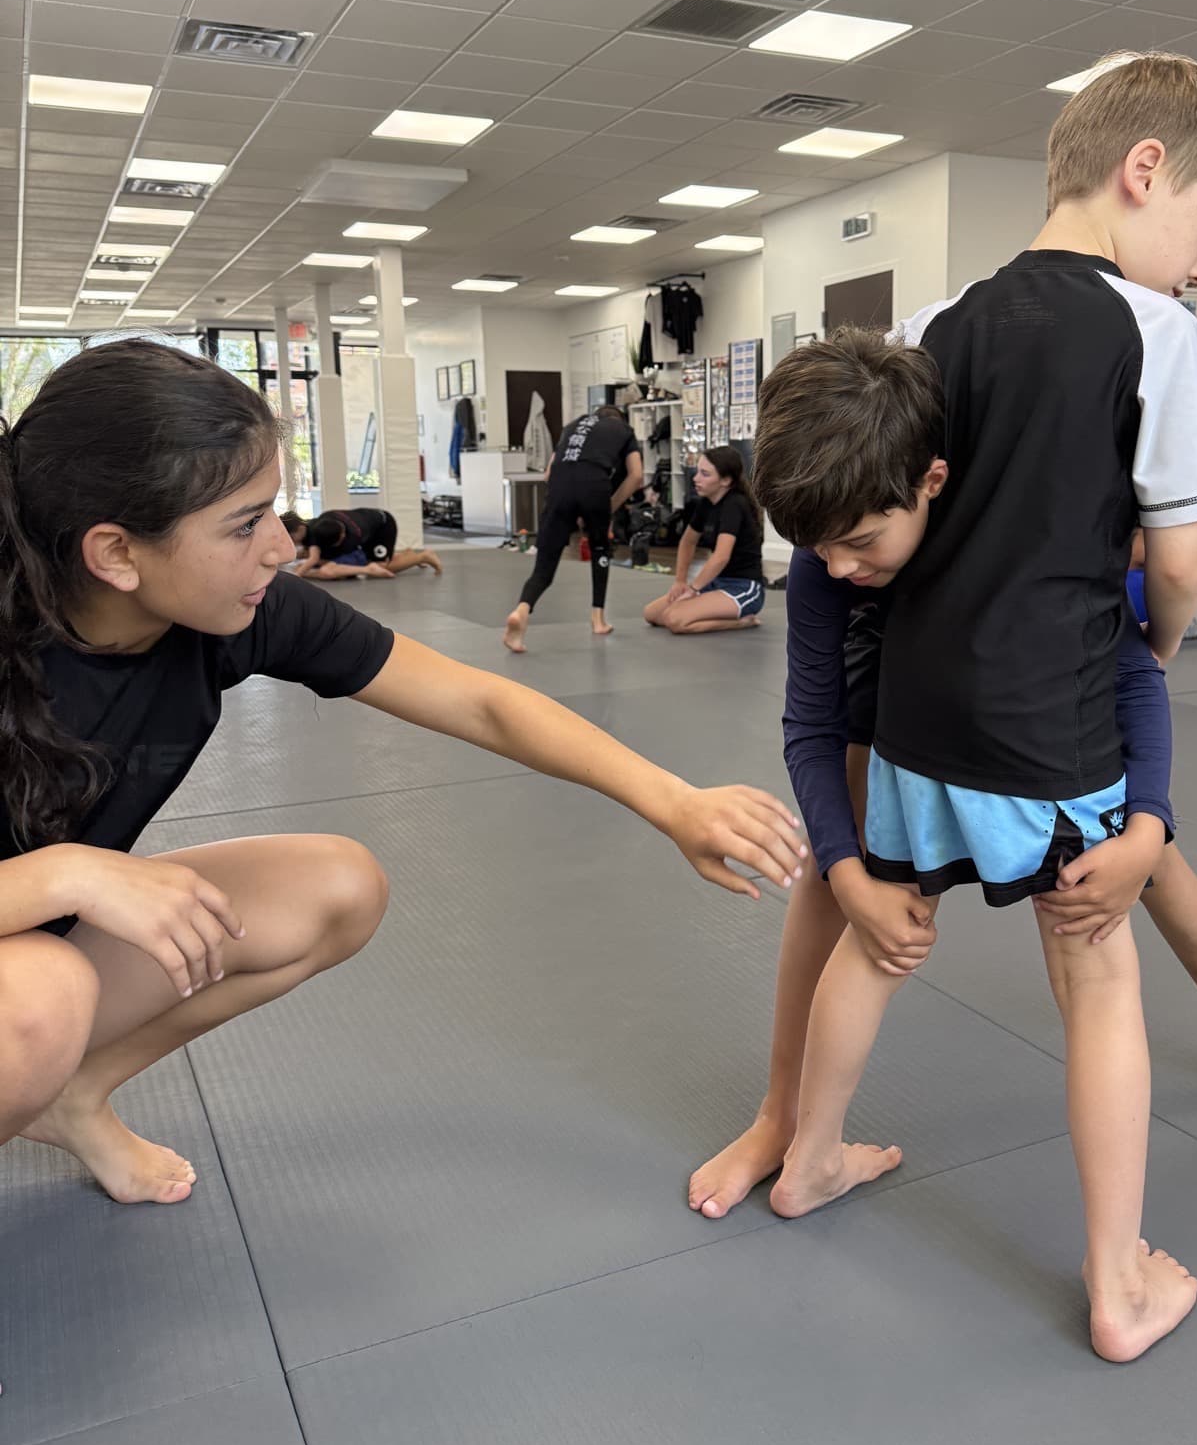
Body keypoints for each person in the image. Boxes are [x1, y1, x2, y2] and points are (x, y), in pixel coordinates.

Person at [0, 342, 805, 1231]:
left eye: (277, 510)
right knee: (41, 996)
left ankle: (70, 1097)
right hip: (24, 963)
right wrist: (68, 874)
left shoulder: (237, 613)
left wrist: (673, 800)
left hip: (32, 939)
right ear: (116, 552)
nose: (281, 546)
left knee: (335, 888)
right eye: (244, 524)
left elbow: (479, 703)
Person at [756, 54, 1197, 1363]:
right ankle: (1118, 1281)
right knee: (1095, 979)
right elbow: (1181, 560)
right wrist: (1144, 651)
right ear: (1142, 172)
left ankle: (808, 1158)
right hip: (1052, 725)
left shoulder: (940, 319)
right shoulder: (1149, 333)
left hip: (923, 716)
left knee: (882, 943)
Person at [503, 404, 643, 652]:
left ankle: (521, 610)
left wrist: (570, 507)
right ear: (618, 419)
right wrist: (607, 506)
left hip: (559, 489)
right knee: (600, 548)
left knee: (544, 568)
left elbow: (548, 475)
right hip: (594, 486)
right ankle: (598, 619)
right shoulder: (623, 430)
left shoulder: (573, 427)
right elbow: (636, 476)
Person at [642, 445, 766, 635]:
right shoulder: (706, 503)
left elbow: (721, 557)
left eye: (705, 474)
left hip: (743, 587)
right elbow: (687, 542)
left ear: (725, 480)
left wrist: (693, 589)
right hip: (716, 583)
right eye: (698, 471)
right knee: (652, 614)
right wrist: (680, 581)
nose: (696, 478)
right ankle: (710, 610)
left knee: (674, 620)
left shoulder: (734, 504)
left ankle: (742, 622)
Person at [282, 507, 442, 580]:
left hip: (383, 526)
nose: (292, 542)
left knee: (381, 566)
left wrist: (298, 574)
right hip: (366, 524)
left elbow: (317, 558)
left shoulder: (353, 537)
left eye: (291, 537)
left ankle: (422, 556)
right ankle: (406, 554)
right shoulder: (320, 523)